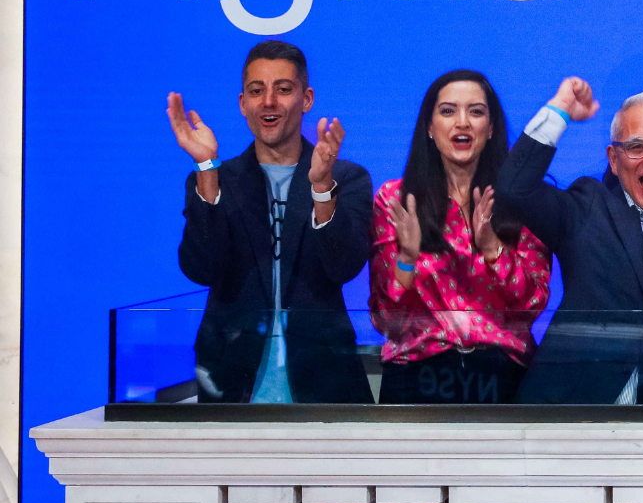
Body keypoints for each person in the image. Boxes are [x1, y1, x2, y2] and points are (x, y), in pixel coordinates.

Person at [168, 40, 373, 403]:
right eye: (256, 90)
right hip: (232, 383)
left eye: (283, 89)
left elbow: (343, 267)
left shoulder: (346, 178)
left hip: (324, 384)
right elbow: (201, 269)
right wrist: (206, 167)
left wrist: (321, 188)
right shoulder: (217, 179)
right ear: (242, 103)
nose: (268, 102)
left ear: (306, 99)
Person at [496, 78, 643, 406]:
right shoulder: (586, 209)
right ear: (613, 159)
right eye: (636, 147)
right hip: (570, 413)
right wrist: (560, 110)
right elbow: (513, 189)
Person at [371, 70, 551, 403]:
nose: (463, 122)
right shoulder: (396, 200)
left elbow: (532, 306)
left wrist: (493, 249)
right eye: (448, 111)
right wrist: (407, 259)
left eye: (476, 111)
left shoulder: (522, 201)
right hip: (417, 374)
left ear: (491, 127)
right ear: (429, 127)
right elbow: (387, 322)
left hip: (501, 375)